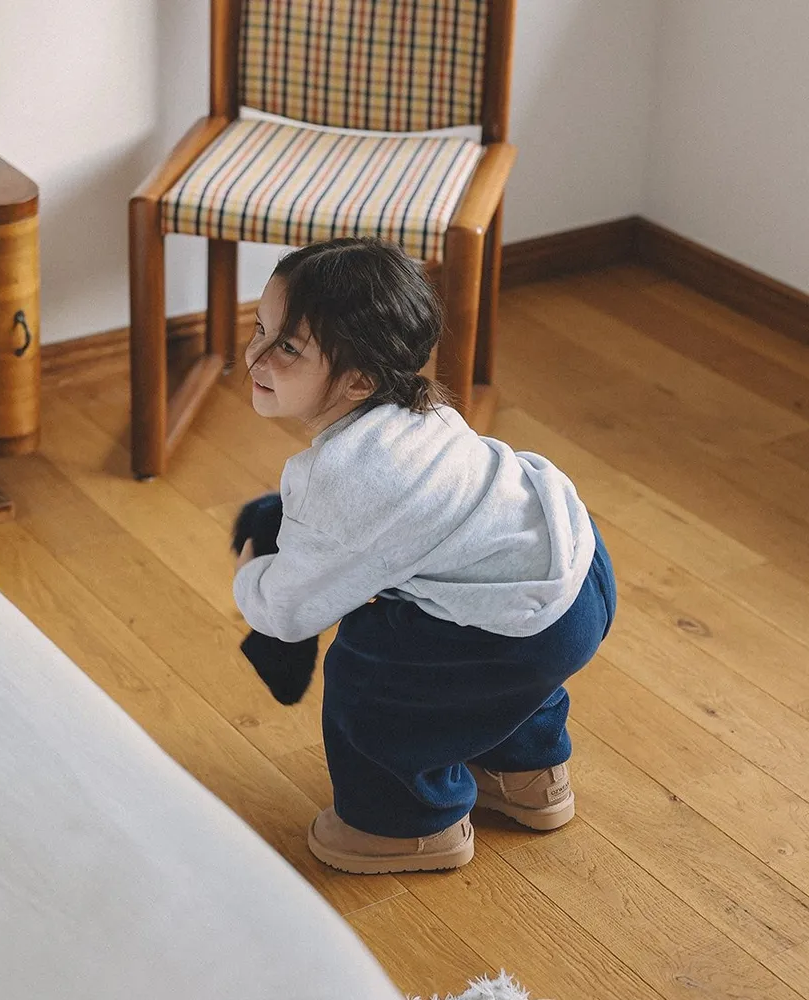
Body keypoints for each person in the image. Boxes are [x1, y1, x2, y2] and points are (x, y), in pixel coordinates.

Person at [233, 237, 616, 875]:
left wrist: (253, 573)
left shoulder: (342, 480)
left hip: (521, 627)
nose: (256, 355)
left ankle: (404, 825)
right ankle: (527, 774)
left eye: (289, 347)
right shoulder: (427, 409)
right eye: (259, 328)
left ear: (359, 379)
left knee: (375, 672)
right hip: (576, 571)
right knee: (494, 670)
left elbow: (290, 611)